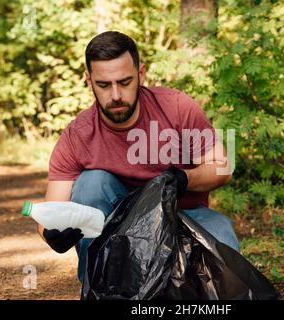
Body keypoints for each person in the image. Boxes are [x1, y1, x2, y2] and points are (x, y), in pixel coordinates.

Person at [37, 31, 240, 283]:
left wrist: (184, 178)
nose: (116, 95)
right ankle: (101, 290)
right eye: (103, 85)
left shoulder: (177, 107)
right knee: (91, 183)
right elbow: (50, 210)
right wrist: (51, 234)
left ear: (141, 74)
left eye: (124, 82)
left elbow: (223, 167)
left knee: (222, 240)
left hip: (184, 217)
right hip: (118, 230)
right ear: (89, 81)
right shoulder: (77, 135)